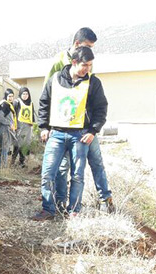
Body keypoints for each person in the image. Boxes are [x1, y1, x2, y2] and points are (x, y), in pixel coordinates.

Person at [32, 46, 108, 220]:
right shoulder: (56, 79)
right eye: (85, 65)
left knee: (77, 175)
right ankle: (48, 209)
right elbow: (44, 102)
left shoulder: (93, 83)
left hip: (80, 135)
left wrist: (93, 131)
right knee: (48, 173)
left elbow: (101, 108)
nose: (88, 69)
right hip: (56, 134)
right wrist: (43, 127)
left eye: (90, 65)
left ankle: (74, 210)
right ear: (74, 62)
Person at [46, 27, 114, 213]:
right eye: (88, 46)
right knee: (62, 168)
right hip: (64, 128)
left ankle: (105, 199)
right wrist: (46, 127)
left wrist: (93, 128)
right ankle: (60, 203)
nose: (91, 51)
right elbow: (49, 94)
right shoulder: (58, 63)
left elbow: (95, 97)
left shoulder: (88, 65)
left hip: (86, 127)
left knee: (96, 163)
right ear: (77, 44)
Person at [12, 86, 36, 167]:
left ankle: (22, 161)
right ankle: (12, 161)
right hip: (19, 126)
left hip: (28, 127)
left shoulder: (31, 103)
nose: (25, 96)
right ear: (20, 94)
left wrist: (32, 123)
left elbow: (32, 115)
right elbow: (13, 114)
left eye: (27, 94)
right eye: (23, 94)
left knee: (25, 144)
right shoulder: (17, 102)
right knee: (18, 144)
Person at [0, 88, 17, 167]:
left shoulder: (9, 105)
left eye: (12, 96)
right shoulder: (4, 104)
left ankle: (1, 166)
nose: (11, 98)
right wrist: (9, 123)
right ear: (6, 96)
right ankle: (2, 167)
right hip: (4, 129)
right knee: (4, 148)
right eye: (9, 96)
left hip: (7, 129)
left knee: (3, 148)